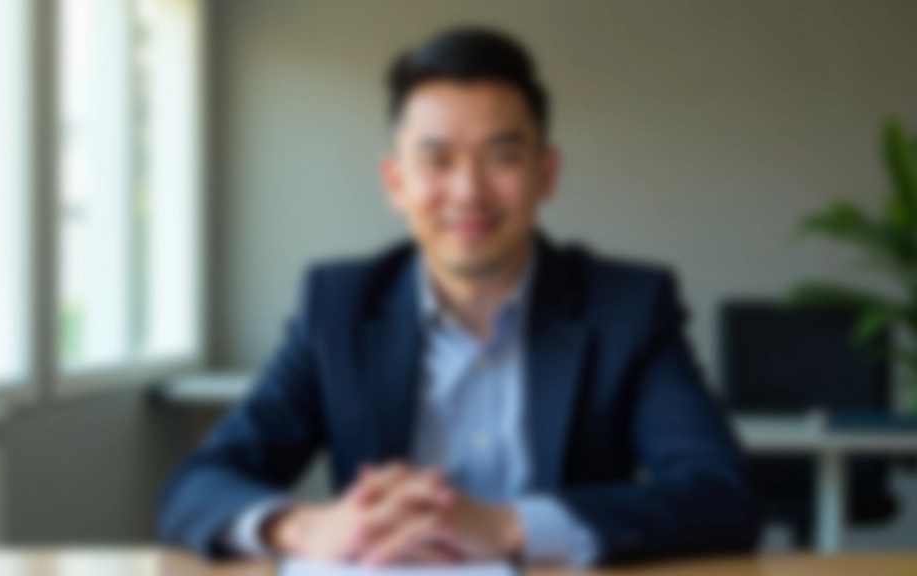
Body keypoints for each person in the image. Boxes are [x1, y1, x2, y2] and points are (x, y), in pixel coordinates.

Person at [158, 27, 759, 566]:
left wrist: (508, 526)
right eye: (437, 160)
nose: (468, 191)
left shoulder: (627, 308)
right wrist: (309, 527)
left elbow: (722, 494)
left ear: (546, 174)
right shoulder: (339, 308)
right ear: (395, 182)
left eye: (502, 157)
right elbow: (198, 485)